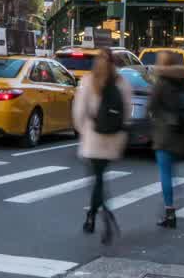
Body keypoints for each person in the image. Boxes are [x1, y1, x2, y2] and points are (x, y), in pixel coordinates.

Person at [72, 51, 132, 244]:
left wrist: (84, 131)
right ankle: (93, 214)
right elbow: (128, 110)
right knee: (100, 178)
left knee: (97, 180)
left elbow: (79, 111)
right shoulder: (122, 82)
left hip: (93, 137)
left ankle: (102, 214)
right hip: (113, 138)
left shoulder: (89, 81)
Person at [148, 51, 184, 229]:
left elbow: (151, 106)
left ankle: (170, 211)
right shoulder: (183, 82)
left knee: (165, 172)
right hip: (180, 133)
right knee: (171, 170)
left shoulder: (161, 83)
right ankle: (175, 197)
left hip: (164, 132)